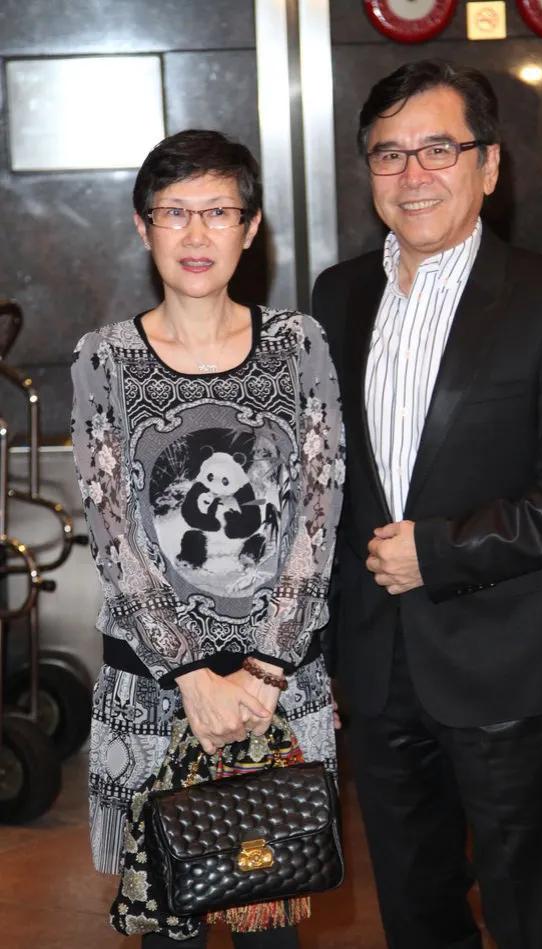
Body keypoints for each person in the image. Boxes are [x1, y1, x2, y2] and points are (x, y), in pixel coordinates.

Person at [312, 60, 542, 949]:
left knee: (529, 915)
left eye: (437, 149)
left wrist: (441, 549)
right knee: (414, 913)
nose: (412, 174)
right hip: (377, 669)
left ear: (488, 165)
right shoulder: (338, 295)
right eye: (389, 153)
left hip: (508, 667)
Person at [71, 129, 344, 948]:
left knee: (271, 918)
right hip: (155, 689)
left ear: (250, 227)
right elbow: (114, 535)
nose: (196, 233)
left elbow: (319, 512)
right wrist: (192, 675)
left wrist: (262, 670)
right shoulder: (104, 358)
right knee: (170, 925)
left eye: (218, 212)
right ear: (142, 225)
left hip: (278, 685)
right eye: (174, 212)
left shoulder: (298, 344)